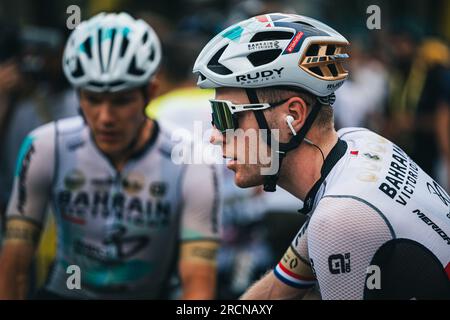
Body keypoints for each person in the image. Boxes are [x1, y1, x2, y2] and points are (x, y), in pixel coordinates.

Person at [193, 13, 450, 299]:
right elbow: (274, 292)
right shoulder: (359, 144)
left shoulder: (339, 216)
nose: (214, 135)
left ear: (293, 115)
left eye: (225, 116)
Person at [0, 12, 221, 300]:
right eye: (92, 99)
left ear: (150, 92)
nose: (105, 117)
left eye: (121, 100)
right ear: (77, 94)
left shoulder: (192, 159)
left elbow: (197, 283)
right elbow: (14, 267)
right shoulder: (45, 146)